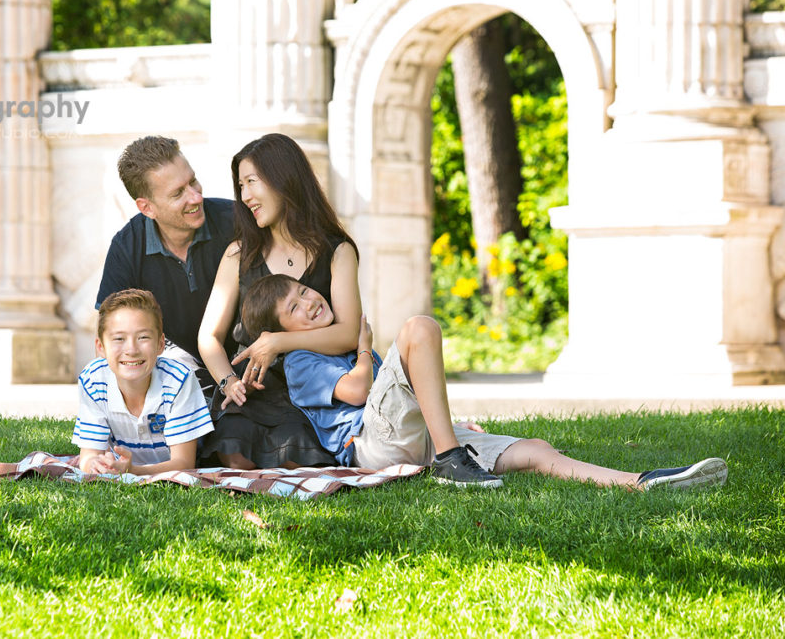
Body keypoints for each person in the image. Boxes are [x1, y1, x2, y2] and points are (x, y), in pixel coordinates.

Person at [241, 273, 730, 490]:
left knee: (536, 448)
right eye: (295, 308)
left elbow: (397, 398)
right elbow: (357, 391)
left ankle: (637, 483)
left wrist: (445, 427)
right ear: (281, 332)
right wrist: (364, 344)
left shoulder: (321, 346)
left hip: (413, 444)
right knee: (419, 329)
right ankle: (453, 460)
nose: (310, 303)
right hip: (369, 447)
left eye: (306, 292)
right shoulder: (302, 358)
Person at [197, 133, 363, 469]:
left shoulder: (337, 252)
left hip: (314, 389)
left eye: (251, 182)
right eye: (240, 186)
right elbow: (208, 337)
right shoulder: (239, 254)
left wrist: (278, 342)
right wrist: (228, 382)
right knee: (234, 451)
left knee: (295, 455)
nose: (244, 197)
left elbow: (348, 333)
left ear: (282, 178)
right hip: (252, 392)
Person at [96, 136, 236, 391]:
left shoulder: (236, 223)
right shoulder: (127, 247)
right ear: (147, 208)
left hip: (248, 364)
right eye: (178, 193)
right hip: (173, 375)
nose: (195, 197)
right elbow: (112, 337)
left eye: (192, 181)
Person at [73, 289, 214, 475]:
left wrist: (133, 471)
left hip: (184, 454)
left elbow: (184, 462)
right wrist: (97, 466)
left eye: (143, 337)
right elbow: (89, 456)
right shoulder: (93, 379)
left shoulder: (179, 380)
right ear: (101, 347)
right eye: (119, 339)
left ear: (160, 344)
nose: (131, 349)